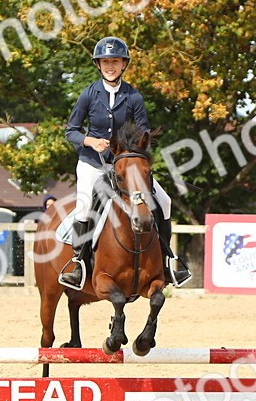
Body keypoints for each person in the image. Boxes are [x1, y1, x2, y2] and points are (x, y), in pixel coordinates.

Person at [59, 36, 191, 289]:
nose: (111, 66)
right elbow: (71, 130)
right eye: (106, 61)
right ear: (99, 65)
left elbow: (145, 133)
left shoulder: (133, 96)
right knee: (86, 206)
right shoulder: (88, 94)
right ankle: (78, 264)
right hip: (93, 163)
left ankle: (166, 263)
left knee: (164, 200)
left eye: (115, 61)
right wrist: (90, 141)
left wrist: (135, 152)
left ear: (123, 65)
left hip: (124, 164)